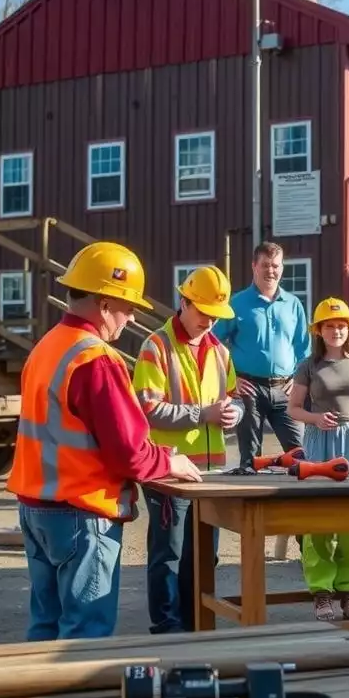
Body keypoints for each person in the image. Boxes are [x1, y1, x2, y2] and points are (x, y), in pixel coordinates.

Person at [6, 241, 202, 641]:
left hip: (36, 508)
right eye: (128, 308)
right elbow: (129, 452)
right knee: (83, 637)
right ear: (103, 302)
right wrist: (170, 462)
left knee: (44, 628)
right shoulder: (95, 360)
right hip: (81, 513)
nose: (129, 320)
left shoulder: (45, 348)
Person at [133, 266, 244, 634]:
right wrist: (203, 413)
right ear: (184, 302)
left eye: (215, 316)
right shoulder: (156, 347)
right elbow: (148, 408)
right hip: (168, 474)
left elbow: (232, 398)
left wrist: (233, 414)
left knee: (203, 557)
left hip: (209, 475)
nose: (209, 322)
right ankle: (167, 627)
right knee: (169, 555)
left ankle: (196, 623)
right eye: (203, 313)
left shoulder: (219, 351)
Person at [288, 297, 349, 621]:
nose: (336, 330)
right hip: (319, 442)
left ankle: (348, 592)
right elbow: (293, 408)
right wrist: (314, 419)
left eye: (341, 325)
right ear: (319, 330)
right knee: (317, 517)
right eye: (329, 325)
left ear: (348, 328)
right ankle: (321, 593)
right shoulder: (308, 365)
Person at [212, 242, 311, 468]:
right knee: (250, 458)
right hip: (249, 389)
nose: (271, 271)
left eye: (275, 265)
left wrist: (297, 380)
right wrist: (231, 379)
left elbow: (304, 348)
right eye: (265, 265)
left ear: (282, 268)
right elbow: (213, 343)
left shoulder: (294, 304)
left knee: (300, 454)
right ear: (254, 266)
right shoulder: (237, 303)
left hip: (285, 388)